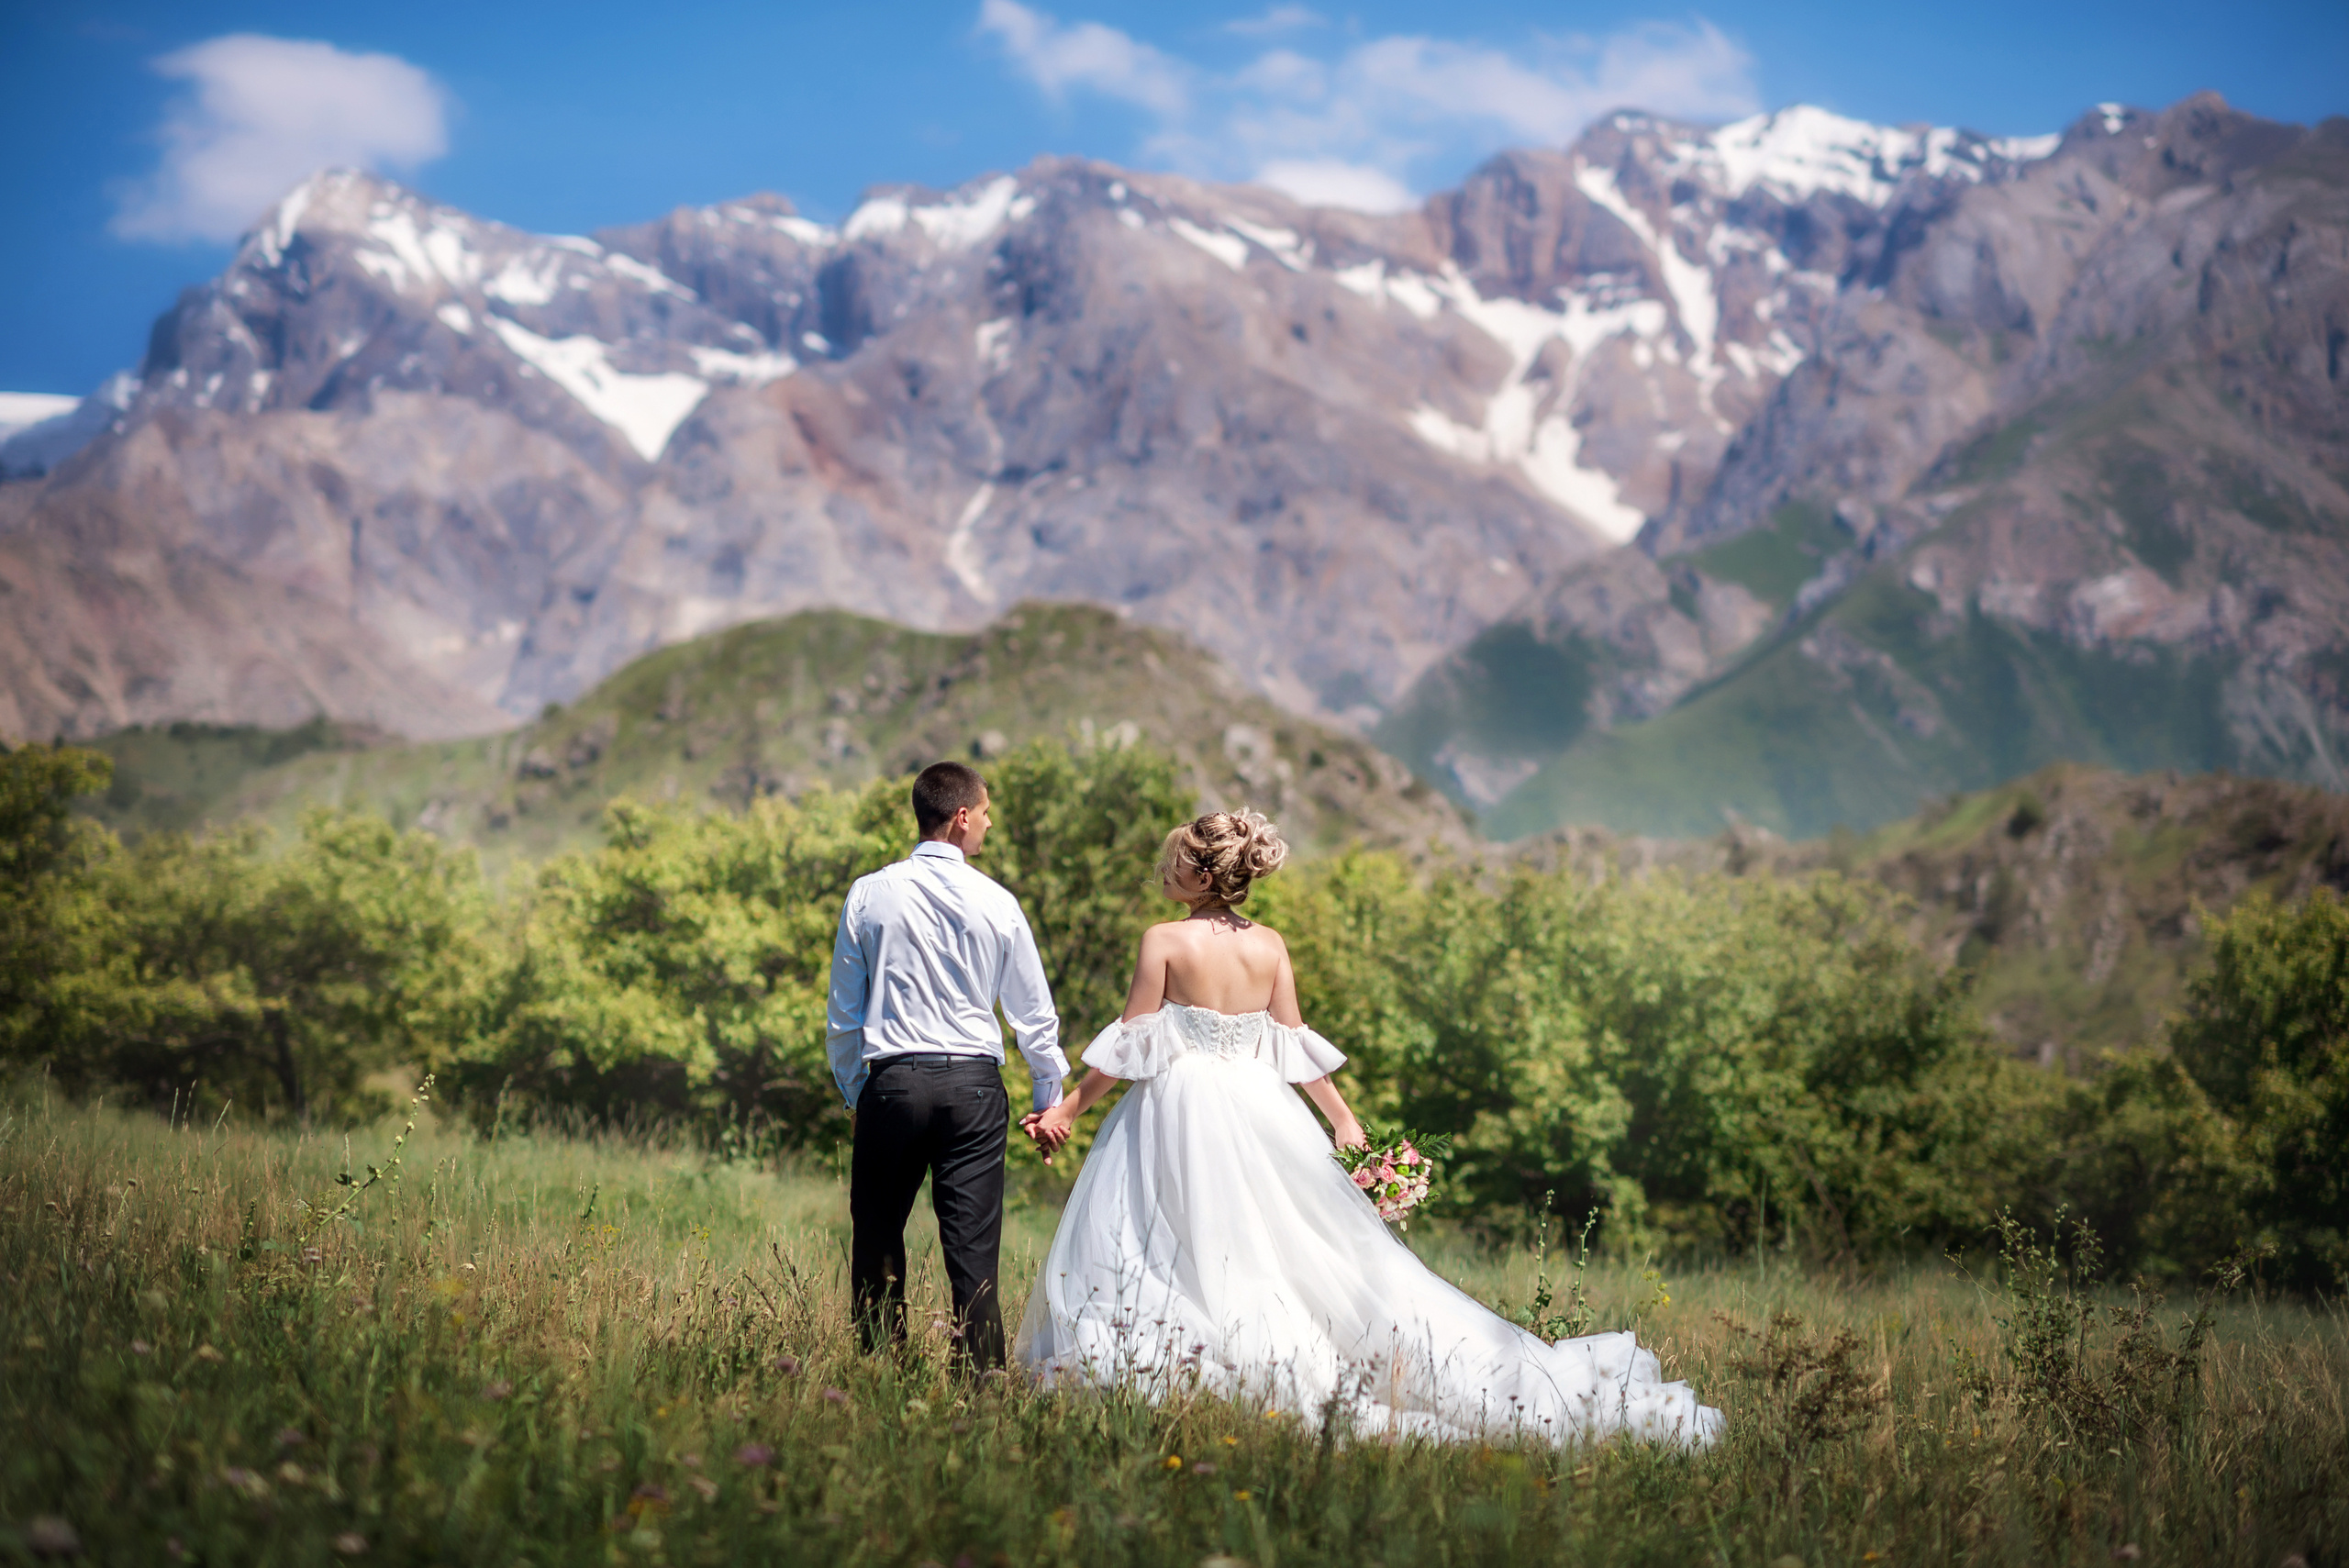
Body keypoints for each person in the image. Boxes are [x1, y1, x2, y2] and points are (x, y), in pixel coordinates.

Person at [1014, 809, 1722, 1446]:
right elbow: (1293, 1048)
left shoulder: (1163, 939)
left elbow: (1135, 1041)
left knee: (1170, 1237)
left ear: (1200, 872)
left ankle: (1200, 1348)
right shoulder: (1270, 946)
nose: (1162, 871)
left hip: (1179, 1106)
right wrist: (1346, 1123)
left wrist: (1070, 1110)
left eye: (1171, 860)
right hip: (1261, 1107)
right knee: (1279, 1245)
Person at [827, 761, 1070, 1373]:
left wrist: (859, 1093)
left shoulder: (869, 892)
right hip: (973, 1090)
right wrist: (1049, 1097)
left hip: (895, 1081)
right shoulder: (998, 901)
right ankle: (980, 1388)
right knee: (972, 1251)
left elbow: (844, 1017)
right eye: (985, 814)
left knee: (877, 1237)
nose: (987, 825)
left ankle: (882, 1372)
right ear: (962, 817)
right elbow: (1032, 1015)